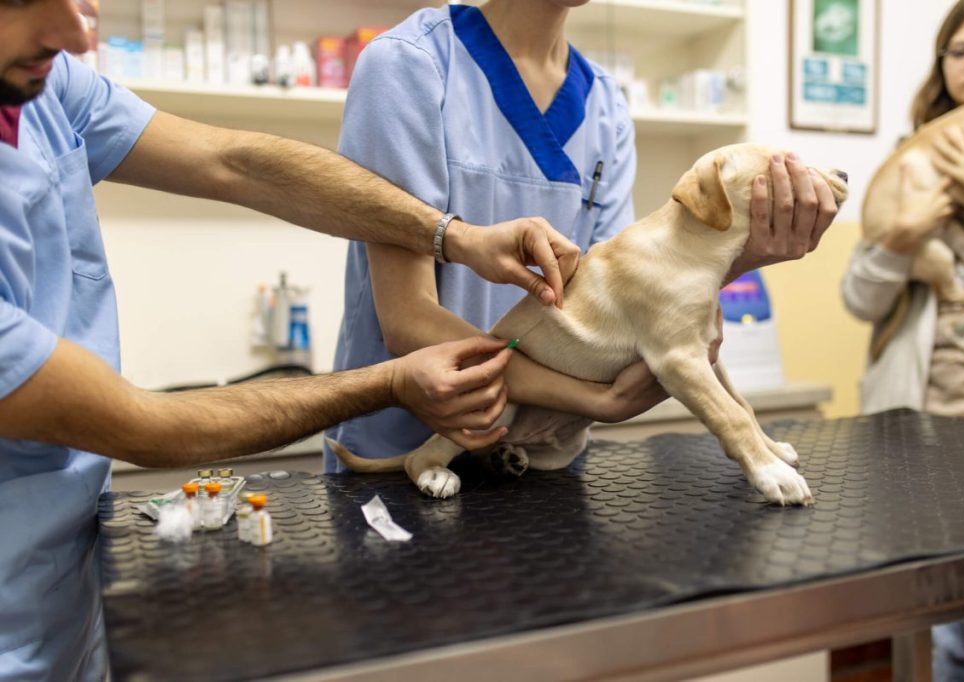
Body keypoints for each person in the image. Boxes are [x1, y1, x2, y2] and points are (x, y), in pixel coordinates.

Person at [0, 1, 597, 678]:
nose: (80, 34)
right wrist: (390, 382)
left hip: (68, 583)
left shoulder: (46, 86)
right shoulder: (407, 62)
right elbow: (140, 425)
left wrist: (453, 236)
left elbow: (236, 162)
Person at [324, 0, 839, 470]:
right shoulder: (409, 64)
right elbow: (407, 320)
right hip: (402, 450)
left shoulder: (605, 105)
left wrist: (747, 252)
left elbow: (626, 306)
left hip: (545, 457)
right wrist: (597, 402)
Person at [841, 1, 964, 679]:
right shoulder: (907, 163)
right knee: (929, 630)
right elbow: (859, 301)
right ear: (941, 63)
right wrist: (897, 239)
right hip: (915, 434)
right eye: (960, 49)